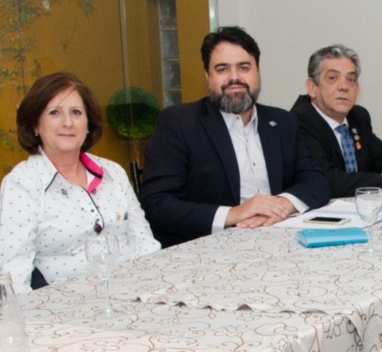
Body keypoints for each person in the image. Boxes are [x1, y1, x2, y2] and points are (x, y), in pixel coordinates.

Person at [140, 27, 330, 246]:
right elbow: (157, 204)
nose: (234, 78)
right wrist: (234, 214)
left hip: (278, 240)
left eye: (244, 67)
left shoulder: (282, 121)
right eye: (222, 69)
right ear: (208, 77)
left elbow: (316, 181)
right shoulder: (179, 123)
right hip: (208, 248)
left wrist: (281, 205)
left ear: (258, 72)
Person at [0, 72, 160, 293]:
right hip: (68, 304)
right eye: (54, 113)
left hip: (135, 291)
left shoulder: (112, 172)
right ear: (35, 125)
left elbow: (145, 243)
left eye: (76, 112)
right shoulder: (22, 184)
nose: (68, 122)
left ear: (88, 123)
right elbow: (13, 276)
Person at [293, 45, 382, 198]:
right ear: (312, 87)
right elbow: (325, 180)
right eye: (332, 78)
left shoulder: (358, 117)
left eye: (350, 79)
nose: (344, 87)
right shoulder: (298, 122)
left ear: (357, 89)